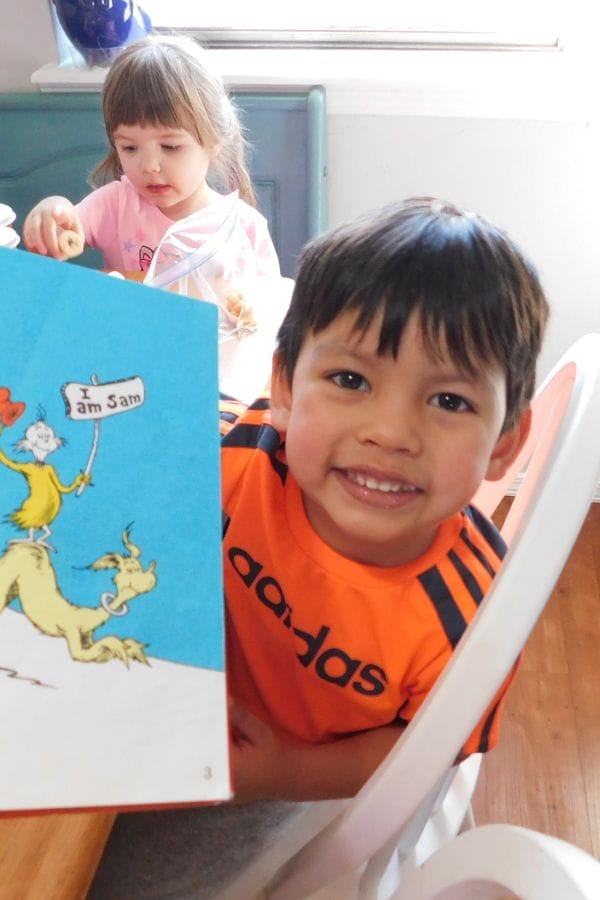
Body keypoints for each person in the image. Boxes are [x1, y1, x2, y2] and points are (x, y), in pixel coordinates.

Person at [88, 197, 550, 896]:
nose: (391, 433)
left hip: (305, 784)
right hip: (174, 686)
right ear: (283, 386)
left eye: (450, 401)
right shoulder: (243, 448)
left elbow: (422, 752)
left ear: (507, 443)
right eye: (351, 380)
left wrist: (287, 772)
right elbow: (142, 472)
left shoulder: (473, 618)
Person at [21, 35, 280, 280]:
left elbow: (270, 311)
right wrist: (51, 214)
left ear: (214, 142)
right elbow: (67, 226)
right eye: (130, 148)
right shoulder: (115, 205)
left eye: (170, 147)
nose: (149, 166)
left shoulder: (244, 228)